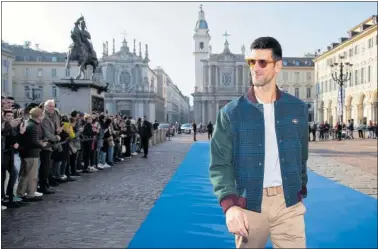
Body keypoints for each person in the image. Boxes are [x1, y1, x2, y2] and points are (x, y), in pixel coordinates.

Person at [209, 37, 309, 248]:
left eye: (263, 62)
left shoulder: (297, 108)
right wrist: (230, 206)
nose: (256, 68)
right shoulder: (230, 113)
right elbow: (220, 164)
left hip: (288, 204)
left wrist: (300, 190)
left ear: (278, 65)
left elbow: (302, 155)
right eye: (252, 62)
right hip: (250, 205)